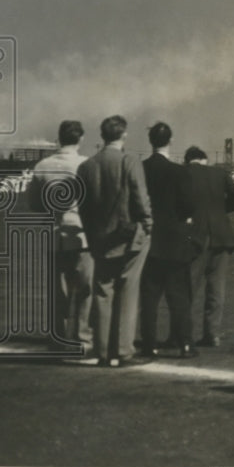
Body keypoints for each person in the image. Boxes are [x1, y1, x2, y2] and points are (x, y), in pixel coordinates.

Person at [77, 115, 152, 367]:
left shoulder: (86, 166)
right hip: (128, 236)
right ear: (124, 134)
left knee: (102, 292)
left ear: (102, 135)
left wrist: (92, 234)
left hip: (99, 238)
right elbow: (141, 198)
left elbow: (83, 207)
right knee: (128, 293)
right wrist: (147, 225)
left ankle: (102, 350)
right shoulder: (129, 161)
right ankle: (122, 350)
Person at [26, 120, 93, 356]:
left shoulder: (43, 165)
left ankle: (57, 336)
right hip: (82, 235)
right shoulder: (86, 164)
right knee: (85, 290)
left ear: (59, 138)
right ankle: (83, 337)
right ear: (80, 139)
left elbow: (34, 202)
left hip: (55, 233)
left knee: (58, 290)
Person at [141, 122, 198, 358]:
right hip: (174, 240)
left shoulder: (139, 168)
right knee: (179, 296)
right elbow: (188, 206)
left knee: (149, 298)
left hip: (148, 240)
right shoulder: (179, 172)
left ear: (151, 141)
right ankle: (185, 343)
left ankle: (149, 344)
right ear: (170, 141)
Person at [183, 146, 234, 347]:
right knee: (216, 288)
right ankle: (212, 334)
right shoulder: (219, 173)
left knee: (188, 288)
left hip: (196, 236)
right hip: (222, 235)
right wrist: (221, 210)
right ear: (205, 159)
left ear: (187, 160)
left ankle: (184, 334)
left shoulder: (183, 173)